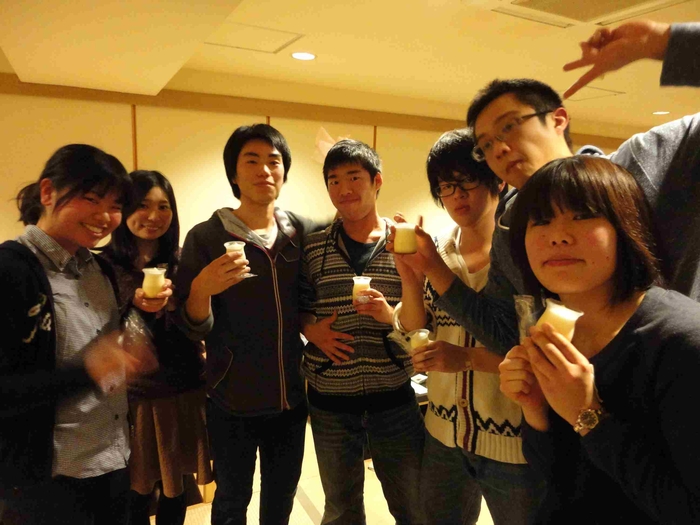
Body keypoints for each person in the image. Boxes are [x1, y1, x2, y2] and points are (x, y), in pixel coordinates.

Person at [407, 21, 700, 356]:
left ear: (558, 119)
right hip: (576, 387)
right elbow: (505, 331)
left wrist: (662, 42)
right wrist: (432, 267)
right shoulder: (511, 228)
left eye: (509, 126)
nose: (498, 149)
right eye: (485, 144)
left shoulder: (641, 162)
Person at [499, 155, 700, 523]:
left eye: (582, 215)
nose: (557, 235)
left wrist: (588, 415)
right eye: (540, 220)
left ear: (626, 228)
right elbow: (560, 478)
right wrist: (535, 408)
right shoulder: (554, 325)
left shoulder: (682, 341)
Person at [392, 129, 542, 525]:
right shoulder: (437, 250)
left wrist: (467, 358)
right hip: (442, 431)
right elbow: (413, 326)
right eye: (446, 187)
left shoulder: (522, 255)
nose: (456, 195)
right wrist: (410, 278)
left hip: (510, 438)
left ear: (497, 181)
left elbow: (529, 348)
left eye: (467, 182)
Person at [0, 144, 155, 525]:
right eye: (91, 199)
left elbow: (105, 349)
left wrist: (140, 316)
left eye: (116, 205)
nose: (105, 217)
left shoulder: (98, 269)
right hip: (46, 480)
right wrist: (87, 370)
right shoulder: (11, 270)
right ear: (47, 192)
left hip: (112, 460)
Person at [175, 124, 312, 525]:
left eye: (274, 161)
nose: (264, 170)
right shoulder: (206, 237)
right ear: (233, 174)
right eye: (251, 161)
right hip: (231, 397)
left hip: (290, 396)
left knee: (281, 496)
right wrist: (201, 289)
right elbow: (191, 325)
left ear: (284, 172)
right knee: (232, 499)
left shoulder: (300, 232)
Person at [300, 139, 425, 525]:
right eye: (334, 180)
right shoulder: (314, 246)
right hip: (330, 400)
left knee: (413, 504)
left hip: (394, 396)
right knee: (341, 509)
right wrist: (310, 330)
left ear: (377, 181)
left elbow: (421, 322)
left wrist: (390, 314)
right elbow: (294, 306)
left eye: (354, 177)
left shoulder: (403, 243)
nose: (344, 189)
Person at [100, 170, 212, 525]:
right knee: (135, 491)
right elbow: (93, 330)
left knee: (176, 488)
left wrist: (182, 305)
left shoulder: (182, 262)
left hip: (182, 389)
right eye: (143, 205)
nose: (154, 215)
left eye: (164, 206)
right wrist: (131, 304)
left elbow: (199, 325)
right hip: (131, 399)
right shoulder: (102, 265)